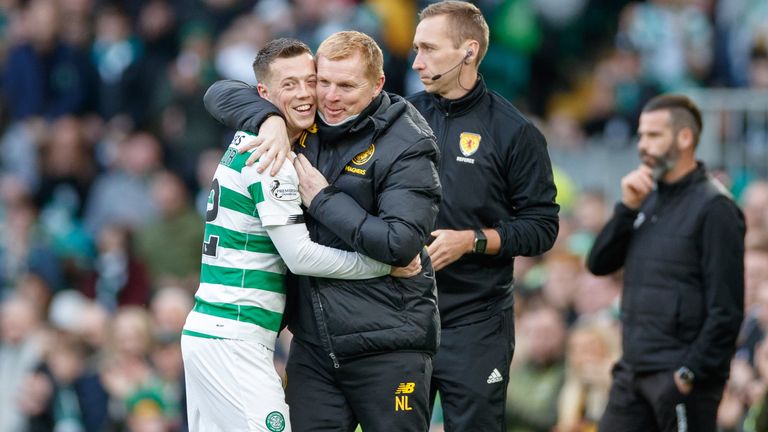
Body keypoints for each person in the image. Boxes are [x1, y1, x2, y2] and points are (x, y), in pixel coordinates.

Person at [204, 3, 559, 430]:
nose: (417, 61)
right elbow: (224, 92)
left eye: (428, 49)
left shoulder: (507, 131)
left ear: (468, 51)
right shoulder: (381, 116)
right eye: (415, 48)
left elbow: (542, 226)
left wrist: (473, 240)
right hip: (359, 318)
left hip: (468, 316)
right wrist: (269, 120)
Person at [202, 32, 442, 432]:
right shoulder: (302, 121)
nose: (328, 97)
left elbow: (400, 246)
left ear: (378, 84)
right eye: (321, 81)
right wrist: (268, 118)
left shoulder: (407, 143)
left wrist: (323, 199)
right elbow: (219, 93)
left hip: (388, 342)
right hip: (315, 347)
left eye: (346, 86)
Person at [587, 94, 745, 432]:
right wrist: (626, 209)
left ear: (684, 138)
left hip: (681, 379)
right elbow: (598, 263)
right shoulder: (645, 197)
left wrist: (688, 375)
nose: (643, 144)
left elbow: (727, 310)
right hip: (632, 372)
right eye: (641, 135)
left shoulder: (716, 208)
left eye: (654, 135)